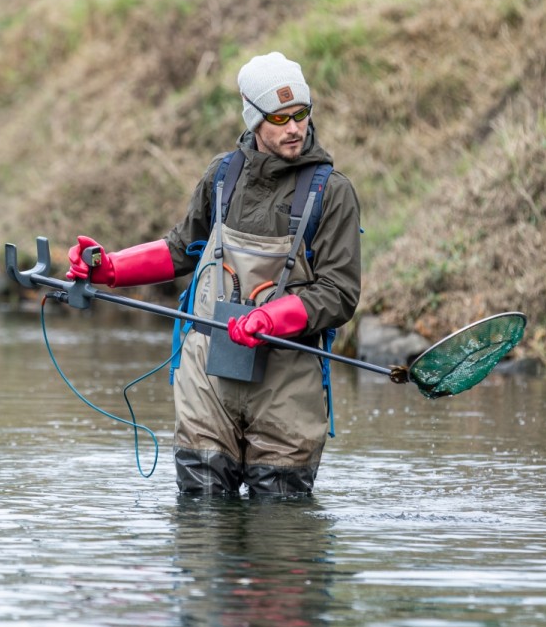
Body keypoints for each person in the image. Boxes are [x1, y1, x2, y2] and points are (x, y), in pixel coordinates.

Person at [66, 52, 361, 497]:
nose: (295, 128)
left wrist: (271, 318)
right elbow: (180, 248)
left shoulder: (333, 192)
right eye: (279, 117)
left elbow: (339, 293)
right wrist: (110, 269)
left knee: (279, 528)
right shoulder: (223, 176)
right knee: (201, 520)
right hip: (207, 381)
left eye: (301, 113)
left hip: (286, 385)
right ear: (254, 117)